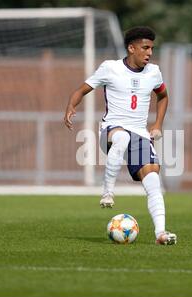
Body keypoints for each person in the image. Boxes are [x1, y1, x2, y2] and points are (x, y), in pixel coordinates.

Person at [64, 26, 177, 245]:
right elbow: (81, 90)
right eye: (145, 48)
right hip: (111, 131)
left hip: (140, 135)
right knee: (122, 137)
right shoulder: (110, 68)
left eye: (152, 48)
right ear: (131, 48)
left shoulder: (154, 72)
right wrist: (71, 106)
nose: (149, 53)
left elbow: (163, 96)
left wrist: (157, 123)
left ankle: (161, 233)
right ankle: (108, 192)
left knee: (154, 180)